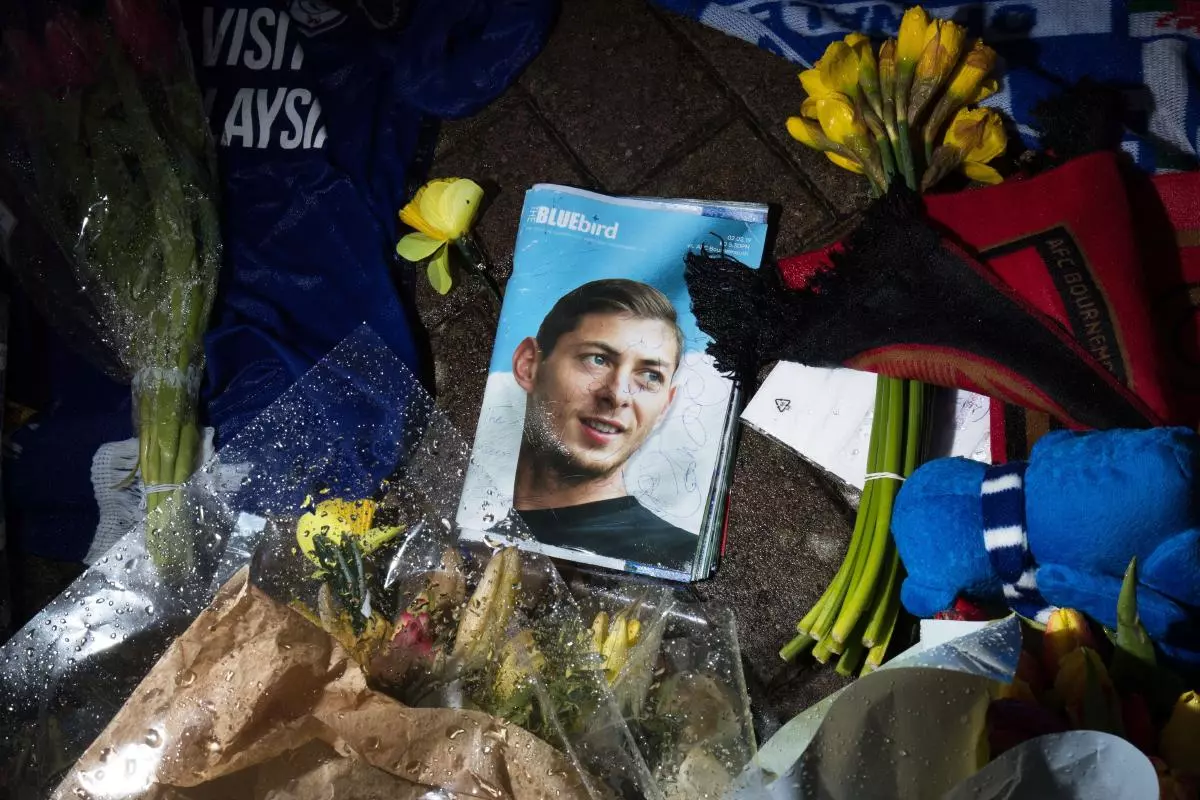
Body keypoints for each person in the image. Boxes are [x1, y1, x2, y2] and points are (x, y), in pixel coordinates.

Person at [507, 278, 696, 569]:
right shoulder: (471, 521)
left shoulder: (679, 558)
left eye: (650, 376)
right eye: (597, 359)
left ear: (664, 408)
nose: (618, 394)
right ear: (528, 364)